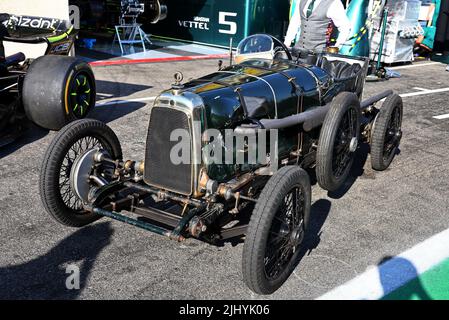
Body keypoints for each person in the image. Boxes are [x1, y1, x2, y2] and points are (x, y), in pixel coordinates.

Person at [284, 0, 351, 52]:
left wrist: (337, 47)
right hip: (299, 51)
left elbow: (345, 27)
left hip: (318, 54)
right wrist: (286, 43)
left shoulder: (333, 3)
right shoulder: (301, 1)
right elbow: (295, 22)